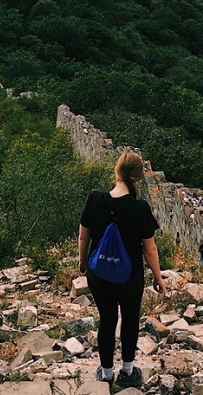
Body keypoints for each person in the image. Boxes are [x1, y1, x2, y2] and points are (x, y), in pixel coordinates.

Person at [77, 152, 167, 389]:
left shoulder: (94, 199)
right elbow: (150, 250)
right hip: (129, 279)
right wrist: (158, 277)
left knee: (106, 320)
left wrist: (82, 261)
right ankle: (127, 371)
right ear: (138, 178)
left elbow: (83, 235)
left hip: (99, 276)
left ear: (116, 172)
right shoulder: (140, 208)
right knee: (129, 320)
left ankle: (106, 374)